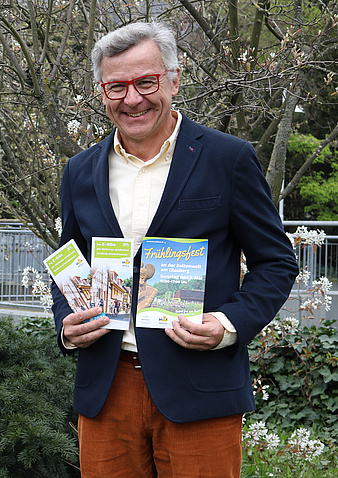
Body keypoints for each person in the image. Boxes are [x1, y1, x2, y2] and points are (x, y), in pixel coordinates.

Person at [51, 22, 298, 477]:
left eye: (147, 82)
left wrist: (227, 324)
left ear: (174, 79)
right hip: (107, 387)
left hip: (199, 383)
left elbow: (276, 261)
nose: (132, 99)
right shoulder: (80, 170)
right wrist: (67, 326)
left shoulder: (229, 158)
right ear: (101, 92)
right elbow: (69, 263)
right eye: (116, 86)